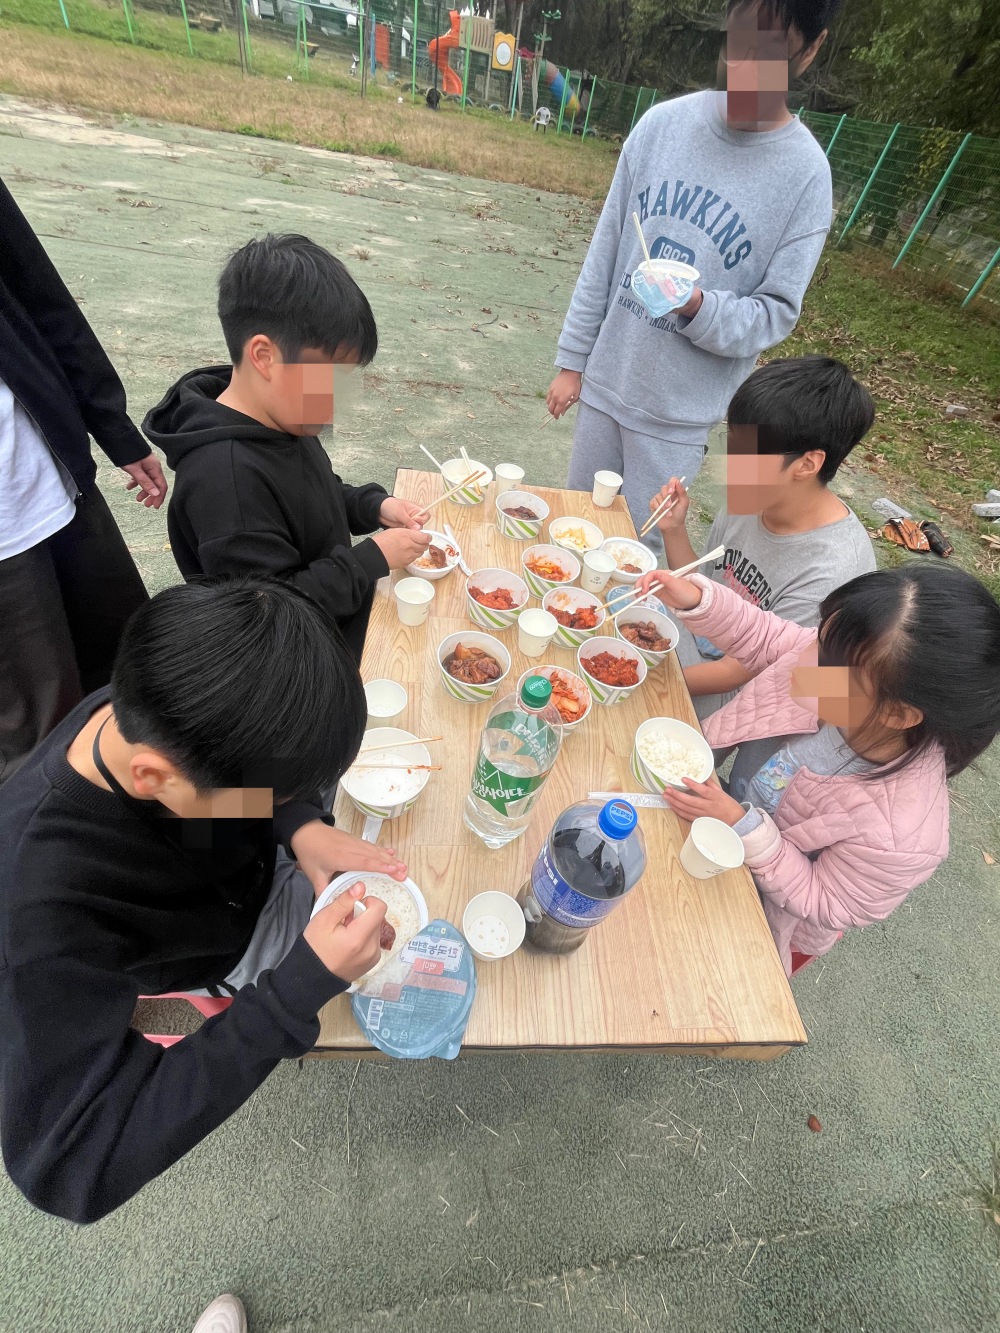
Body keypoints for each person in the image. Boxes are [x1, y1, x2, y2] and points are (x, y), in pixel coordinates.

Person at [0, 577, 408, 1224]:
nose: (272, 802)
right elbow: (69, 1165)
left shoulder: (159, 706)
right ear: (153, 777)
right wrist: (293, 992)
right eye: (266, 797)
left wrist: (298, 822)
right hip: (223, 938)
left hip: (243, 865)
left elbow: (228, 785)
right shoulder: (40, 905)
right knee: (399, 969)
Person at [548, 0, 841, 539]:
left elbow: (775, 314)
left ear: (810, 50)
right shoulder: (661, 127)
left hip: (677, 419)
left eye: (770, 56)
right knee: (576, 528)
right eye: (738, 45)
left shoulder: (805, 176)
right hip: (606, 384)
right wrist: (573, 361)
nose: (745, 73)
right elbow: (605, 255)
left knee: (639, 554)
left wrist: (697, 306)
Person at [635, 561, 1000, 975]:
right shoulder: (843, 661)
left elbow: (824, 899)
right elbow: (766, 636)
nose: (804, 661)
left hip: (768, 909)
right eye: (820, 638)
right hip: (719, 822)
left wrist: (745, 828)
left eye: (828, 665)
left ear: (897, 714)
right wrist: (699, 601)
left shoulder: (902, 836)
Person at [142, 233, 430, 663]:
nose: (335, 399)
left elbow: (314, 494)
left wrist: (373, 507)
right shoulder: (226, 483)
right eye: (327, 378)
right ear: (265, 356)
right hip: (297, 661)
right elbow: (267, 617)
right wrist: (369, 561)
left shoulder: (281, 416)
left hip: (332, 616)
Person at [0, 175, 167, 783]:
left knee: (137, 670)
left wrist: (114, 428)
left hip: (47, 473)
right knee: (45, 747)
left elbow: (42, 294)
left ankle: (232, 817)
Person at [650, 356, 876, 792]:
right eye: (730, 442)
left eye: (747, 452)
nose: (728, 463)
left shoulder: (834, 570)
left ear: (806, 464)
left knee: (658, 763)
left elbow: (747, 670)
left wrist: (651, 679)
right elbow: (701, 590)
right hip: (704, 648)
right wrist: (674, 529)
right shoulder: (751, 496)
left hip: (754, 694)